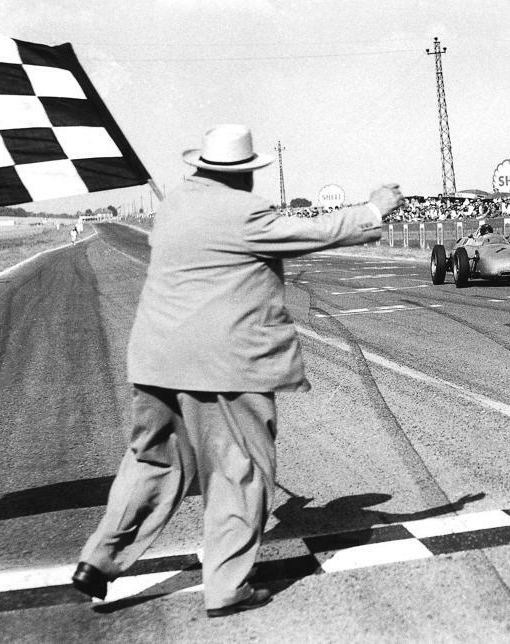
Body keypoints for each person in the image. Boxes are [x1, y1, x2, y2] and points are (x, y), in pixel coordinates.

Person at [71, 124, 403, 617]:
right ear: (242, 174)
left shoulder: (175, 205)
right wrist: (374, 208)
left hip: (156, 359)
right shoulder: (243, 212)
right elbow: (312, 232)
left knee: (151, 462)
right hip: (223, 366)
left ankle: (98, 560)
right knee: (239, 472)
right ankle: (227, 586)